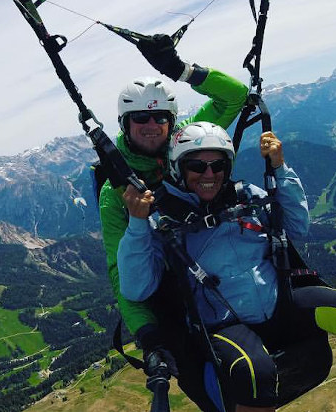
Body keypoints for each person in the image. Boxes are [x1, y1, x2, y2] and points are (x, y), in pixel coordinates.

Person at [117, 121, 336, 412]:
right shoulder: (161, 218)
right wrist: (138, 223)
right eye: (197, 166)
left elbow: (297, 226)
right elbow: (136, 288)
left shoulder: (247, 195)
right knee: (254, 373)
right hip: (225, 325)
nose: (209, 174)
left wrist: (280, 168)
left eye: (218, 165)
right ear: (178, 168)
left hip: (279, 303)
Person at [98, 35, 247, 409]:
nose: (151, 125)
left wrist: (182, 70)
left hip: (223, 269)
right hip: (173, 289)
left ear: (172, 120)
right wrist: (148, 336)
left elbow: (235, 97)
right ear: (125, 123)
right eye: (140, 118)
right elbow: (120, 269)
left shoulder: (188, 139)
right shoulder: (117, 189)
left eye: (160, 117)